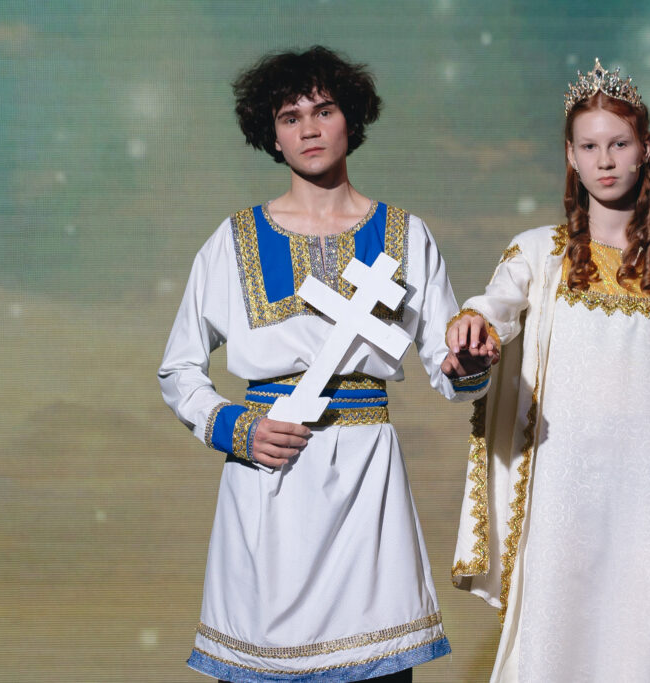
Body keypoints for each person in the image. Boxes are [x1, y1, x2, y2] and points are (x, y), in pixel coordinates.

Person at [158, 46, 492, 683]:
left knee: (374, 665)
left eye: (324, 110)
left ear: (351, 119)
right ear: (272, 135)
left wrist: (467, 362)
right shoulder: (232, 240)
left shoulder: (405, 234)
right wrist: (236, 428)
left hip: (367, 484)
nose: (309, 128)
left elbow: (449, 369)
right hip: (271, 480)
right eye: (290, 117)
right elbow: (179, 369)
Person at [446, 59, 650, 682]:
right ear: (570, 155)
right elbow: (496, 307)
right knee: (555, 640)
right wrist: (475, 325)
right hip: (560, 487)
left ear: (646, 148)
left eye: (619, 143)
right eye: (589, 147)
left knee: (644, 643)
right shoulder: (539, 252)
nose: (605, 160)